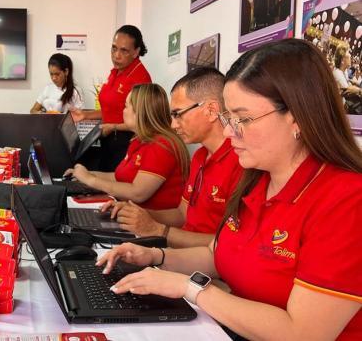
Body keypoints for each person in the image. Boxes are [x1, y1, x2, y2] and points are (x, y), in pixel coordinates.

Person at [98, 39, 362, 340]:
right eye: (228, 118)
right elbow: (218, 255)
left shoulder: (346, 199)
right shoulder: (258, 177)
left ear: (298, 118)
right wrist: (155, 257)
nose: (228, 131)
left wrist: (191, 288)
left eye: (243, 119)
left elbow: (303, 333)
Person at [102, 68, 242, 248]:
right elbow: (182, 214)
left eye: (178, 114)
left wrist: (158, 230)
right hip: (181, 252)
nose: (173, 124)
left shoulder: (240, 161)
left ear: (211, 110)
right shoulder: (200, 156)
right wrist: (137, 214)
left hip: (205, 265)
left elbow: (232, 245)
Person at [66, 83, 189, 211]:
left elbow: (138, 193)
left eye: (125, 106)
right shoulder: (139, 140)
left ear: (139, 112)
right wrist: (85, 174)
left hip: (151, 224)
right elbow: (119, 176)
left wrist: (90, 180)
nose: (123, 111)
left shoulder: (162, 145)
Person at [72, 25, 152, 171]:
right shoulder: (116, 71)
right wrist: (86, 115)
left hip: (126, 143)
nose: (116, 55)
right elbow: (112, 110)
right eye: (114, 48)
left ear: (136, 52)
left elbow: (142, 121)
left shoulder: (140, 78)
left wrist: (113, 127)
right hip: (108, 139)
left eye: (124, 50)